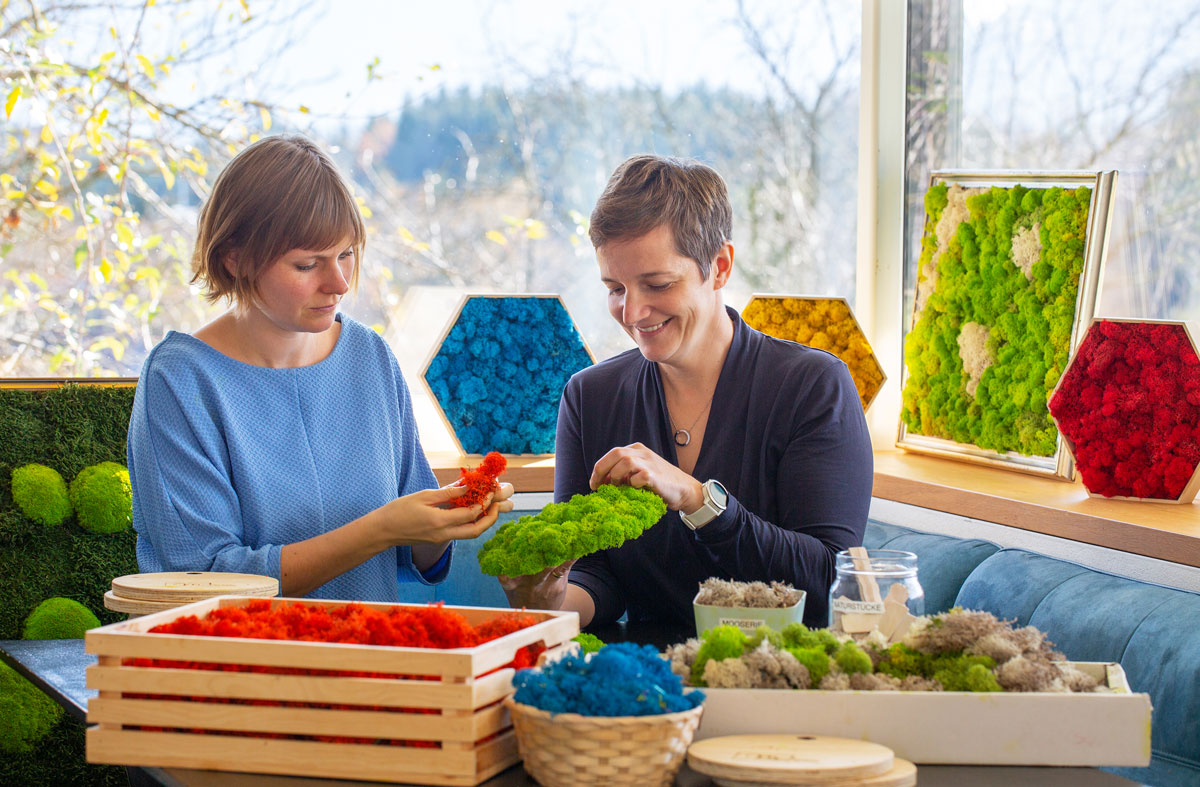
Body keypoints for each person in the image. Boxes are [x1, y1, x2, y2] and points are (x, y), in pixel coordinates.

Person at [127, 135, 513, 601]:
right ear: (236, 259)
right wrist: (379, 529)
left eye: (346, 254)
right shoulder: (180, 381)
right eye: (308, 264)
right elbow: (206, 582)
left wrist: (448, 518)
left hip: (371, 660)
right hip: (236, 666)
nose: (339, 283)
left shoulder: (371, 358)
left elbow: (417, 557)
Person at [500, 154, 872, 630]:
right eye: (614, 288)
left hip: (779, 684)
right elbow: (599, 575)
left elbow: (826, 585)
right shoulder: (589, 397)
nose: (632, 313)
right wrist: (551, 599)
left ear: (719, 266)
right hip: (645, 689)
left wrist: (698, 501)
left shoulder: (813, 387)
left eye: (656, 284)